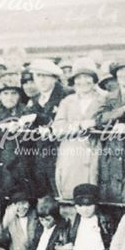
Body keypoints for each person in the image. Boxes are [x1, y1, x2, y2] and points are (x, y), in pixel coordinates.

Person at [95, 54, 125, 204]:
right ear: (116, 76)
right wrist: (120, 111)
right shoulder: (109, 97)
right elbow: (98, 120)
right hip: (111, 152)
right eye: (121, 72)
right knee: (110, 193)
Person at [53, 57, 105, 201]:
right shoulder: (67, 101)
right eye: (79, 77)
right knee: (70, 196)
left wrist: (94, 123)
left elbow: (108, 121)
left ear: (94, 79)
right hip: (71, 154)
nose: (83, 81)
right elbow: (57, 128)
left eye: (87, 77)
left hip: (94, 152)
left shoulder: (103, 99)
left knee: (91, 196)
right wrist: (77, 126)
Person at [22, 58, 68, 197]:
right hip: (40, 155)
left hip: (61, 152)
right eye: (38, 76)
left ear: (54, 78)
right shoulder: (34, 100)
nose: (41, 81)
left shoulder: (65, 95)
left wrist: (39, 119)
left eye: (45, 76)